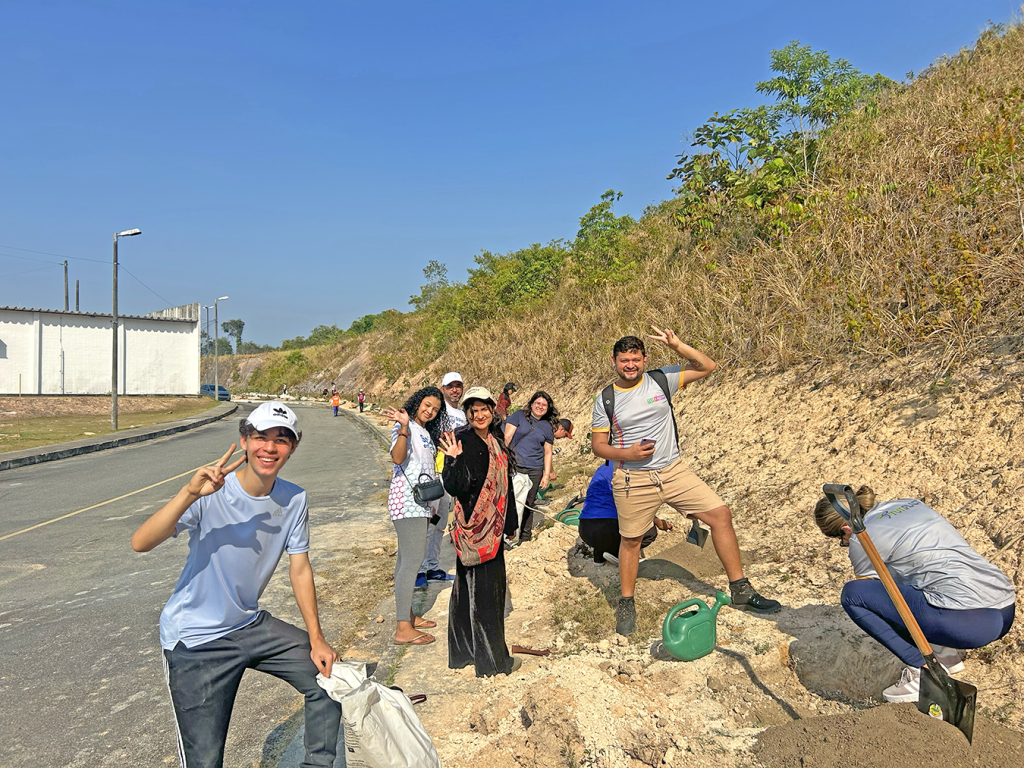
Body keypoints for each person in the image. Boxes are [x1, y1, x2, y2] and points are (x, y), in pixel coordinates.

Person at [131, 402, 342, 768]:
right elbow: (141, 542)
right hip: (195, 639)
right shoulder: (212, 493)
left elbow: (300, 570)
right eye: (260, 437)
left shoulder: (294, 499)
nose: (269, 448)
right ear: (244, 441)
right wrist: (190, 493)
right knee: (205, 760)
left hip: (248, 623)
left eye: (281, 440)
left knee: (330, 678)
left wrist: (317, 638)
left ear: (293, 447)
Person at [591, 329, 780, 636]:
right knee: (631, 541)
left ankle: (741, 589)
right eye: (624, 360)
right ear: (614, 361)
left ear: (644, 359)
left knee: (720, 515)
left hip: (673, 471)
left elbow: (707, 366)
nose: (630, 365)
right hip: (632, 477)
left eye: (635, 359)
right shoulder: (606, 398)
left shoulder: (662, 379)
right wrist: (629, 453)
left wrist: (678, 345)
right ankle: (626, 602)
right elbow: (598, 446)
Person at [813, 486, 1016, 703]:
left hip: (967, 625)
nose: (843, 542)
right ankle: (946, 654)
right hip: (1004, 609)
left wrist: (853, 544)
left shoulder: (860, 537)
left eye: (840, 537)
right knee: (918, 580)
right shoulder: (910, 504)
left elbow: (876, 594)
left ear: (846, 527)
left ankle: (924, 671)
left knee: (854, 595)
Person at [439, 387, 521, 676]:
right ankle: (494, 663)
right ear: (468, 414)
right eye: (473, 411)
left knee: (467, 591)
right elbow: (455, 487)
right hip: (475, 528)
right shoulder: (461, 440)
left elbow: (505, 486)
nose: (479, 415)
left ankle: (464, 653)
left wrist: (510, 523)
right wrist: (453, 461)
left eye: (483, 408)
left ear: (491, 409)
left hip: (494, 528)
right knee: (486, 594)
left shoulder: (496, 441)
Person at [382, 388, 450, 646]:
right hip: (406, 502)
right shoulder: (405, 424)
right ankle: (402, 628)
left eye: (435, 409)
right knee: (412, 562)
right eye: (426, 405)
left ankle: (408, 615)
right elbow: (397, 458)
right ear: (417, 402)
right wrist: (403, 429)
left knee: (405, 561)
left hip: (422, 503)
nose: (429, 411)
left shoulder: (425, 433)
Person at [416, 371, 467, 586]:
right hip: (434, 473)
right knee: (427, 522)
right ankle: (417, 570)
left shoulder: (464, 415)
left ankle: (432, 566)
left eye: (458, 386)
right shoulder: (437, 410)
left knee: (439, 523)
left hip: (451, 475)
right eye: (450, 386)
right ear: (443, 388)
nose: (455, 389)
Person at [579, 462, 673, 565]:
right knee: (649, 531)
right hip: (608, 529)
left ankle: (599, 555)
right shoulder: (626, 470)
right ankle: (620, 555)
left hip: (585, 529)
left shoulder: (603, 467)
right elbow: (637, 505)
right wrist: (658, 522)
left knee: (606, 513)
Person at [504, 391, 558, 544]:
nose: (540, 407)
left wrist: (546, 475)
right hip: (515, 466)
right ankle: (509, 535)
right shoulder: (518, 415)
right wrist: (501, 461)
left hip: (535, 468)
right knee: (511, 502)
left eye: (544, 405)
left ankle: (525, 536)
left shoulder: (547, 426)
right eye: (538, 403)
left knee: (529, 502)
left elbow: (548, 452)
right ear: (532, 403)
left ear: (548, 408)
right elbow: (506, 438)